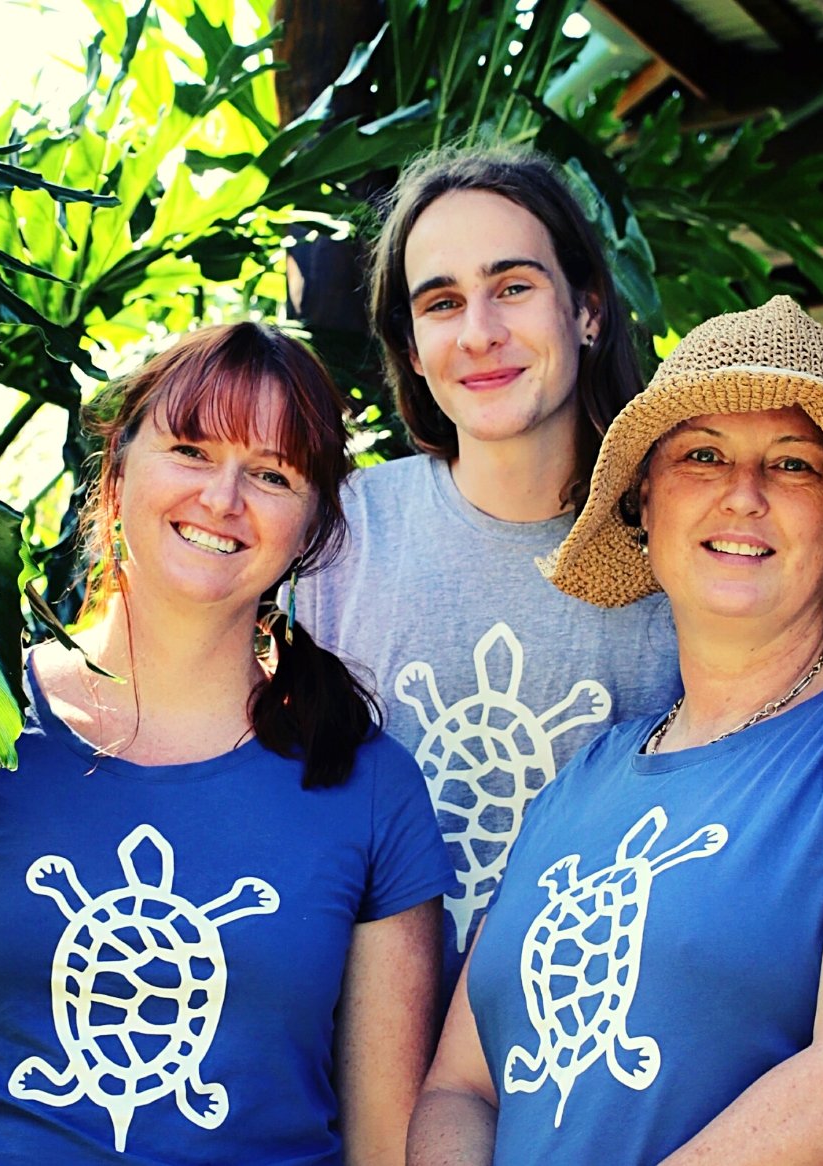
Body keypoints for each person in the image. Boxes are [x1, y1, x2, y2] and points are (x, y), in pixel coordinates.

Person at [0, 323, 455, 1166]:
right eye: (193, 450)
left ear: (311, 528)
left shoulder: (369, 789)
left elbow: (386, 1149)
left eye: (271, 473)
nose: (223, 498)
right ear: (117, 470)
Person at [409, 297, 823, 1165]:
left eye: (793, 465)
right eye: (703, 455)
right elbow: (462, 1086)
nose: (744, 495)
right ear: (645, 501)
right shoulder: (588, 776)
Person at [288, 147, 681, 993]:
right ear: (412, 348)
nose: (479, 333)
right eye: (441, 303)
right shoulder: (337, 534)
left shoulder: (683, 547)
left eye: (513, 287)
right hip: (360, 1051)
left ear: (588, 310)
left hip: (603, 1039)